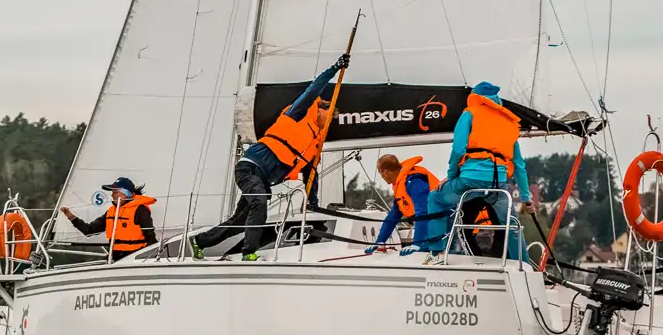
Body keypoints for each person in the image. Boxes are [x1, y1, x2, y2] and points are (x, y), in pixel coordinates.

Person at [193, 52, 347, 259]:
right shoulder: (298, 113)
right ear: (320, 109)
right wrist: (335, 68)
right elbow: (313, 89)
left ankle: (200, 242)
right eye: (328, 116)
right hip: (249, 168)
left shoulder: (312, 144)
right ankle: (248, 253)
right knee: (260, 202)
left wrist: (312, 204)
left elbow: (311, 176)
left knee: (241, 220)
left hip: (263, 180)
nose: (327, 122)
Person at [422, 82, 531, 258]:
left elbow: (458, 149)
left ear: (475, 97)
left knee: (435, 199)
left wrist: (451, 176)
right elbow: (519, 165)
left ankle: (437, 253)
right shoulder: (508, 122)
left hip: (469, 180)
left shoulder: (470, 114)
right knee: (512, 225)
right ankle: (524, 265)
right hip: (498, 183)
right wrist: (526, 198)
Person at [60, 177, 157, 260]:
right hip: (115, 256)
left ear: (127, 194)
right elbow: (89, 230)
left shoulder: (140, 209)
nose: (112, 195)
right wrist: (70, 216)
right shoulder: (111, 211)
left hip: (134, 257)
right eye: (112, 192)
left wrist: (147, 258)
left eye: (115, 192)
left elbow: (151, 238)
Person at [366, 154, 440, 254]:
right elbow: (392, 218)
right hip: (431, 228)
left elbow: (423, 213)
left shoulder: (414, 182)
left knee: (427, 253)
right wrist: (380, 242)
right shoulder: (401, 187)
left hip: (443, 226)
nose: (382, 177)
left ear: (385, 172)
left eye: (381, 174)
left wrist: (417, 244)